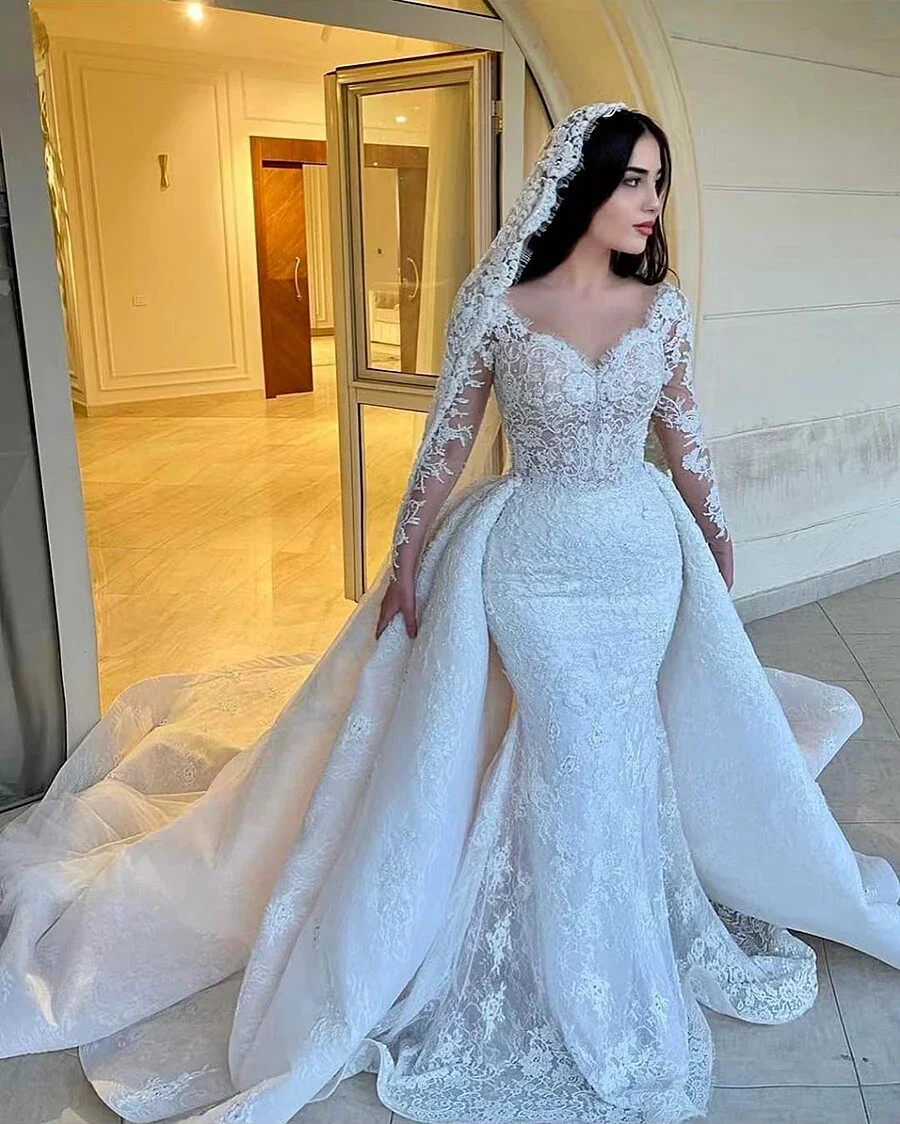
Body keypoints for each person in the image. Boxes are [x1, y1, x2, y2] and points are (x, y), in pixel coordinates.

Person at [0, 101, 898, 1124]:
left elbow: (683, 431)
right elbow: (449, 441)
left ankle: (625, 919)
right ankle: (568, 959)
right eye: (632, 180)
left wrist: (717, 534)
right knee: (567, 744)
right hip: (535, 564)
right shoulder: (502, 304)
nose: (651, 202)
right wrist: (406, 556)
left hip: (639, 561)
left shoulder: (666, 309)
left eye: (658, 182)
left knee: (619, 742)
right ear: (582, 186)